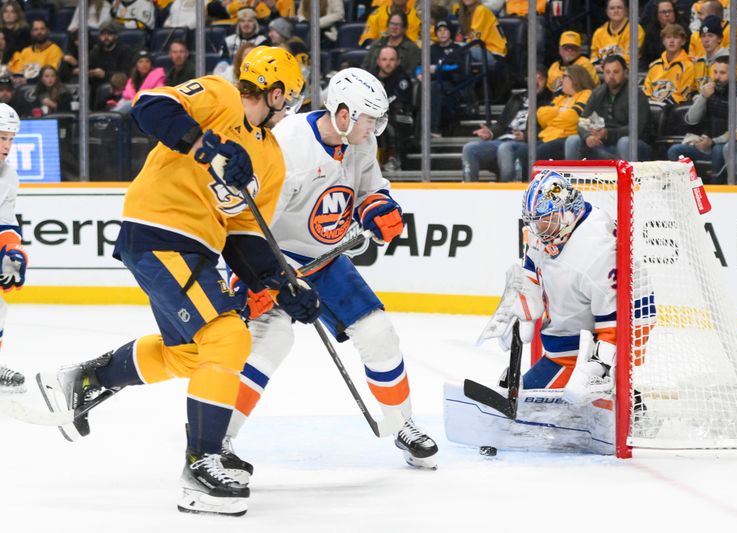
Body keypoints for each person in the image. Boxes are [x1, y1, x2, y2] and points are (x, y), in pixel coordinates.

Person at [36, 47, 319, 517]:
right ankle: (201, 463)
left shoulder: (270, 156)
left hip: (198, 249)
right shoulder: (220, 95)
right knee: (227, 337)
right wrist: (205, 147)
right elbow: (150, 107)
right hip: (158, 230)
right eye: (287, 97)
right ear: (273, 91)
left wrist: (282, 282)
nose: (288, 106)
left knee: (193, 353)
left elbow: (244, 238)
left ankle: (84, 382)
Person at [223, 67, 439, 477]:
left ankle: (400, 424)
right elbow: (251, 222)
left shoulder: (359, 141)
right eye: (369, 118)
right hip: (277, 260)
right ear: (343, 114)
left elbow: (369, 188)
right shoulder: (288, 146)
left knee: (378, 332)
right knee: (269, 343)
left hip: (325, 258)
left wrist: (379, 208)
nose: (375, 127)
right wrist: (250, 276)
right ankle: (218, 438)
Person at [481, 171, 653, 404]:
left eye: (546, 221)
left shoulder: (596, 251)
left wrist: (600, 364)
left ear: (568, 214)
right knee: (546, 383)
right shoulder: (550, 229)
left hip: (629, 315)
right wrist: (523, 304)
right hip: (584, 314)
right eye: (534, 221)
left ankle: (630, 408)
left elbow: (614, 318)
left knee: (589, 391)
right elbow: (532, 264)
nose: (540, 230)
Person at [666, 56, 737, 183]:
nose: (717, 77)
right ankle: (687, 189)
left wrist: (713, 142)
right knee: (675, 150)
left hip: (726, 146)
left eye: (722, 73)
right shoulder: (709, 92)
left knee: (718, 149)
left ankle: (715, 191)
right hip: (706, 144)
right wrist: (703, 97)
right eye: (715, 72)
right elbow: (690, 119)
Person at [564, 54, 652, 161]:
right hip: (603, 145)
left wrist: (608, 134)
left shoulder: (636, 94)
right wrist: (588, 136)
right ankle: (574, 176)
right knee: (573, 140)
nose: (611, 76)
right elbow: (583, 120)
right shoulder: (597, 93)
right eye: (607, 72)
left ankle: (628, 176)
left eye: (616, 72)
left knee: (624, 142)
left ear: (625, 72)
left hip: (635, 144)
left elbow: (637, 129)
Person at [0, 104, 28, 394]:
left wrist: (12, 253)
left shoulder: (8, 176)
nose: (7, 146)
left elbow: (5, 223)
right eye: (1, 138)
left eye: (11, 139)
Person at [461, 89, 529, 182]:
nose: (536, 81)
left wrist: (525, 135)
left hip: (526, 143)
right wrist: (490, 132)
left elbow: (547, 130)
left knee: (505, 148)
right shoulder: (517, 98)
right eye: (534, 77)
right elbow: (501, 123)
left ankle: (506, 190)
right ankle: (470, 191)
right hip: (503, 140)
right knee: (469, 148)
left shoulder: (548, 100)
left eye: (540, 78)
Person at [535, 65, 594, 160]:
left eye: (564, 77)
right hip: (548, 137)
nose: (562, 80)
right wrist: (562, 113)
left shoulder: (586, 94)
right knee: (526, 151)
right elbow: (541, 115)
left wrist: (555, 116)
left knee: (538, 153)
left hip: (568, 137)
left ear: (575, 79)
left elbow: (573, 118)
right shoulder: (560, 98)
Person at [421, 20, 466, 136]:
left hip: (452, 85)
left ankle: (433, 128)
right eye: (439, 30)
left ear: (450, 32)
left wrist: (438, 68)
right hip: (434, 82)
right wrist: (419, 73)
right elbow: (420, 66)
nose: (442, 33)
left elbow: (458, 67)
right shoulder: (431, 49)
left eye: (445, 30)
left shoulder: (457, 48)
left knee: (435, 87)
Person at [372, 46, 414, 170]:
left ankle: (393, 156)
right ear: (378, 61)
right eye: (384, 59)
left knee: (388, 119)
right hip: (375, 114)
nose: (388, 63)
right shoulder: (371, 78)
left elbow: (397, 100)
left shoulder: (403, 79)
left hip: (401, 117)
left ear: (397, 62)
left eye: (392, 59)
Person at [643, 23, 695, 104]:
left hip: (673, 109)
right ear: (663, 41)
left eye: (675, 37)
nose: (671, 41)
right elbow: (646, 92)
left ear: (683, 41)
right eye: (668, 37)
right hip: (652, 107)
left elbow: (683, 96)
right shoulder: (654, 65)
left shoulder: (688, 66)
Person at [590, 0, 645, 71]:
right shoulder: (599, 32)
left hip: (627, 74)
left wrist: (607, 66)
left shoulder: (635, 29)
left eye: (619, 8)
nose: (616, 11)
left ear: (626, 10)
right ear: (607, 11)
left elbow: (631, 59)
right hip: (602, 73)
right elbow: (594, 58)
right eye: (612, 8)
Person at [362, 12, 421, 76]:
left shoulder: (412, 48)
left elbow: (413, 73)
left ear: (404, 28)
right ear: (387, 25)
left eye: (398, 24)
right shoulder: (377, 44)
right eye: (392, 24)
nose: (394, 28)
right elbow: (366, 67)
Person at [7, 19, 63, 84]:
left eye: (42, 29)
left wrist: (28, 81)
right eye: (36, 30)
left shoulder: (55, 50)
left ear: (47, 31)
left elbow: (51, 75)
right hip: (23, 86)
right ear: (31, 33)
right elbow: (18, 71)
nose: (39, 32)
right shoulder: (26, 51)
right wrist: (13, 77)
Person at [642, 0, 690, 67]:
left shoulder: (684, 31)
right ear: (657, 16)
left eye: (670, 11)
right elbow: (645, 59)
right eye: (663, 12)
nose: (667, 15)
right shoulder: (650, 33)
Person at [692, 15, 728, 87]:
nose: (706, 40)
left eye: (710, 36)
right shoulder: (699, 63)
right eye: (703, 36)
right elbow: (693, 88)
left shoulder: (728, 61)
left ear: (719, 38)